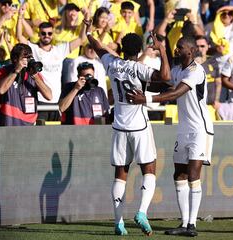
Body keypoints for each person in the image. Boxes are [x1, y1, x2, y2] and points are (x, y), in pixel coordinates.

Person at [85, 17, 171, 235]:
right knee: (149, 168)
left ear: (122, 48)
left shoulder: (112, 63)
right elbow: (166, 77)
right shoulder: (139, 69)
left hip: (119, 125)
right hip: (139, 126)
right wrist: (161, 50)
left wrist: (88, 31)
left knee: (120, 174)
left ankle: (118, 222)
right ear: (140, 50)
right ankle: (142, 212)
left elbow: (97, 46)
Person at [127, 36, 214, 237]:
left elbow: (175, 93)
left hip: (200, 129)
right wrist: (139, 84)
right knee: (179, 175)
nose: (177, 49)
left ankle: (192, 225)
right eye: (176, 46)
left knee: (193, 176)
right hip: (184, 129)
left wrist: (145, 99)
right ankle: (184, 223)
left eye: (180, 47)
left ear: (191, 51)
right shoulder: (177, 70)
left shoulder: (196, 71)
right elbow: (165, 85)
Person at [17, 7, 88, 121]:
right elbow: (20, 37)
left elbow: (81, 38)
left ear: (53, 34)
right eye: (43, 33)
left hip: (57, 102)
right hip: (40, 101)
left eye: (49, 33)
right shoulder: (34, 49)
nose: (47, 35)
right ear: (39, 34)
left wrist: (86, 18)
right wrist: (20, 17)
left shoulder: (59, 50)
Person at [0, 43, 52, 126]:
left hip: (29, 124)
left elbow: (49, 96)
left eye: (30, 57)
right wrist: (16, 71)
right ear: (16, 59)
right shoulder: (4, 71)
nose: (29, 60)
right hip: (8, 122)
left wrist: (35, 76)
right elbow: (1, 90)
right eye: (26, 57)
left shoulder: (34, 74)